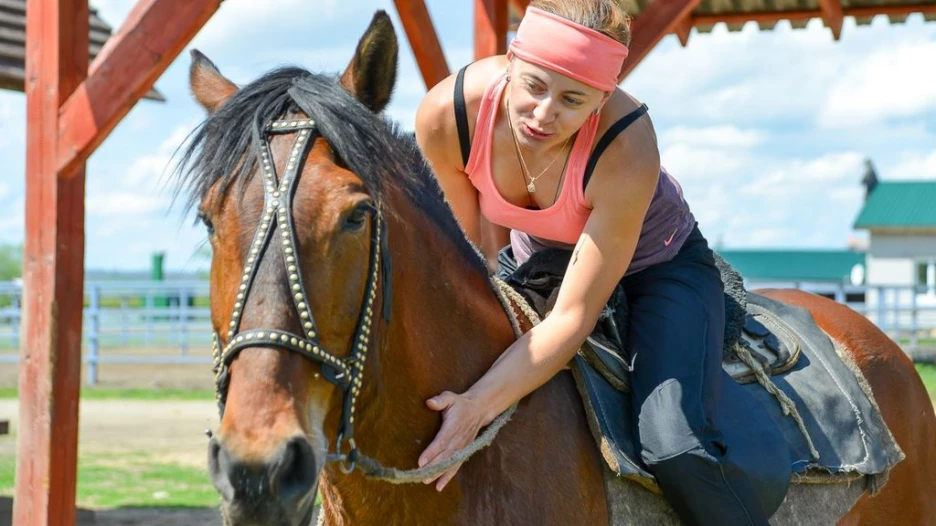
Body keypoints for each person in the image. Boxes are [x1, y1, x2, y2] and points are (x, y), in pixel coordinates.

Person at [414, 1, 775, 523]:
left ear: (602, 99)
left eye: (572, 99)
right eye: (534, 86)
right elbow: (461, 263)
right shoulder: (449, 115)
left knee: (672, 442)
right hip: (541, 258)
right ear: (511, 59)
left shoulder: (626, 145)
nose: (543, 114)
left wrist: (476, 407)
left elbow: (571, 319)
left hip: (659, 265)